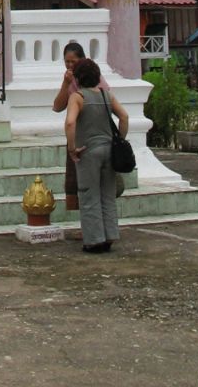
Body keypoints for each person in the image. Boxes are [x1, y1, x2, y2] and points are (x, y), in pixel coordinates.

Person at [65, 57, 128, 253]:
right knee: (107, 194)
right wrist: (120, 140)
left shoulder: (78, 97)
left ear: (78, 78)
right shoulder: (105, 95)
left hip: (88, 151)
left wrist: (72, 147)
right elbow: (124, 116)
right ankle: (110, 236)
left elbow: (70, 123)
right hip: (109, 149)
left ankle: (93, 240)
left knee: (89, 194)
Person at [52, 41, 108, 213]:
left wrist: (71, 147)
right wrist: (65, 84)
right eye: (67, 62)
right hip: (81, 138)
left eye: (73, 62)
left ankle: (93, 231)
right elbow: (58, 106)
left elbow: (70, 122)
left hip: (89, 139)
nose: (70, 66)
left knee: (90, 187)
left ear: (83, 61)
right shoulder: (71, 83)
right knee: (82, 186)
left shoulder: (93, 82)